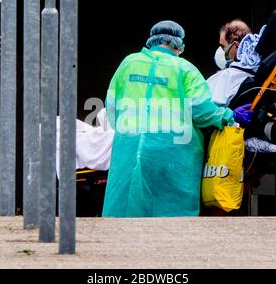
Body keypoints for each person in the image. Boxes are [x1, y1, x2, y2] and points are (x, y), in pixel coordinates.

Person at [102, 20, 254, 218]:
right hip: (173, 156)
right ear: (178, 44)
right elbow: (202, 111)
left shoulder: (128, 63)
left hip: (129, 151)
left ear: (152, 40)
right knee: (170, 222)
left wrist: (131, 132)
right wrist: (227, 115)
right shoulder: (185, 69)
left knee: (126, 216)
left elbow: (111, 107)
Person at [208, 19, 254, 108]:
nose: (221, 51)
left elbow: (203, 109)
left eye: (223, 46)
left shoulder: (227, 76)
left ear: (236, 46)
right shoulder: (254, 72)